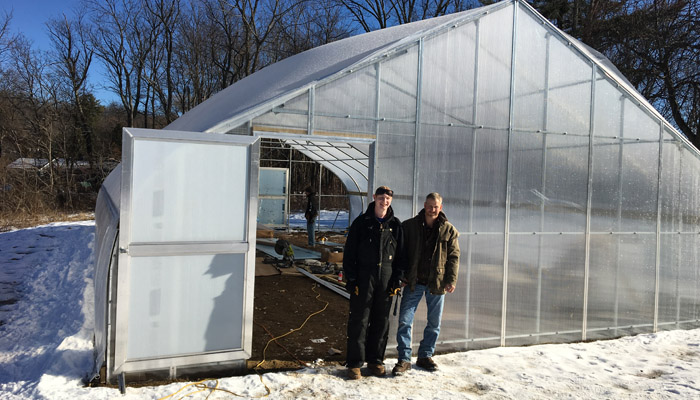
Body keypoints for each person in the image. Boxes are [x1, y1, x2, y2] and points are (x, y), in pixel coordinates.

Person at [392, 192, 460, 376]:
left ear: (441, 207)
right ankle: (404, 359)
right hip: (413, 281)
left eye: (436, 206)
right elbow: (401, 253)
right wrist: (402, 275)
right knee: (405, 321)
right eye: (429, 206)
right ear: (424, 205)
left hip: (436, 283)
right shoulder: (410, 226)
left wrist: (451, 280)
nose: (432, 210)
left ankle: (425, 356)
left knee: (434, 323)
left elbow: (454, 257)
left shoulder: (448, 229)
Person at [344, 186, 404, 380]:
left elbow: (401, 256)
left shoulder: (395, 225)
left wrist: (397, 278)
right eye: (381, 198)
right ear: (374, 198)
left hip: (385, 279)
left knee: (381, 321)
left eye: (387, 198)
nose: (384, 201)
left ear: (391, 201)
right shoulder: (362, 223)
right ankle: (354, 363)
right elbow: (349, 253)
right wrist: (352, 279)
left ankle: (375, 360)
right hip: (364, 277)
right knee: (359, 320)